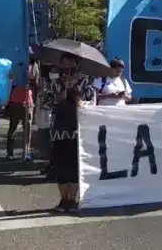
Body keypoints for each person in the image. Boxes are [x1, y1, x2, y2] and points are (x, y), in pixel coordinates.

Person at [50, 67, 94, 213]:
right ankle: (63, 199)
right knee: (61, 167)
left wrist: (79, 100)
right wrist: (59, 98)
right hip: (59, 131)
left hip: (78, 131)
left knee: (75, 167)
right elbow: (45, 102)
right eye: (64, 64)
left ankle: (73, 200)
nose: (69, 76)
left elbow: (92, 103)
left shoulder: (86, 84)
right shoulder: (55, 83)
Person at [5, 59, 36, 161]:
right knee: (13, 127)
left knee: (27, 129)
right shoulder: (14, 65)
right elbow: (8, 80)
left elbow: (37, 83)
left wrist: (32, 78)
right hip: (15, 100)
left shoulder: (34, 66)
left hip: (28, 101)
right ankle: (10, 153)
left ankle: (26, 152)